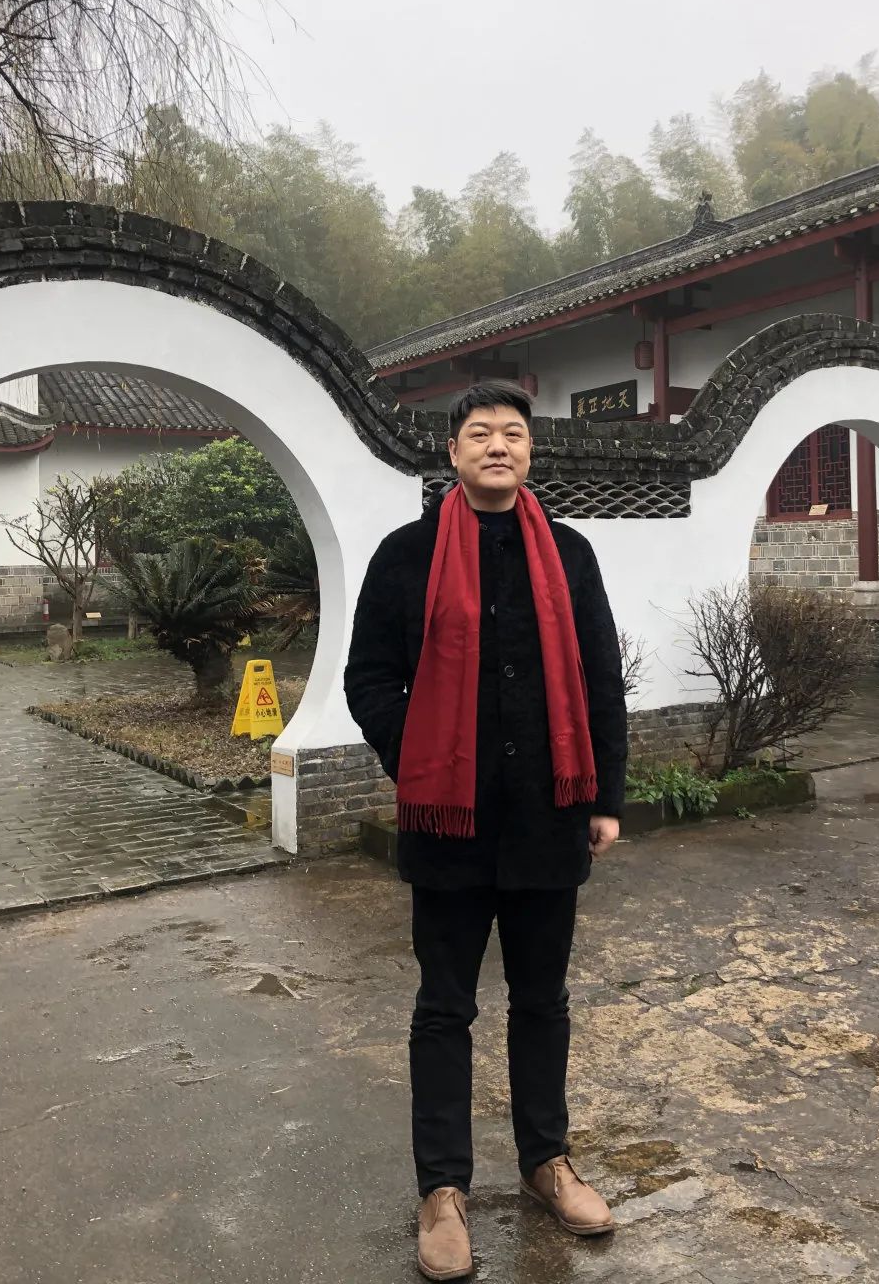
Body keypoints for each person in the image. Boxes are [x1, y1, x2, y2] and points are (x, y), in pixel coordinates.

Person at [344, 380, 627, 1281]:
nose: (497, 445)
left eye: (512, 433)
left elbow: (601, 679)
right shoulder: (407, 555)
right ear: (454, 452)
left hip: (547, 819)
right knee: (445, 1008)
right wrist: (422, 757)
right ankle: (442, 1190)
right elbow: (368, 677)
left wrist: (606, 798)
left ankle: (548, 1163)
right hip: (450, 828)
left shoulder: (570, 554)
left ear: (530, 451)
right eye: (480, 433)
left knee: (543, 1001)